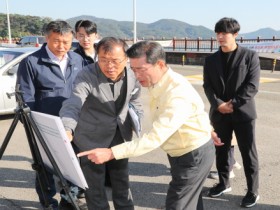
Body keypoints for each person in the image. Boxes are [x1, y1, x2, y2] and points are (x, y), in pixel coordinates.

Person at [77, 41, 218, 210]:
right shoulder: (160, 80)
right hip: (181, 151)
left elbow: (154, 138)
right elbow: (197, 108)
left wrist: (111, 153)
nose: (136, 75)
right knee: (192, 203)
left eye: (140, 70)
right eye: (133, 69)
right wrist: (207, 128)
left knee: (178, 204)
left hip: (193, 155)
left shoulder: (176, 93)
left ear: (159, 64)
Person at [59, 37, 143, 210]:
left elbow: (136, 100)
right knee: (94, 187)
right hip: (91, 137)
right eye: (103, 60)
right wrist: (67, 128)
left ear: (126, 58)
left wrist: (138, 120)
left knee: (121, 181)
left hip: (120, 135)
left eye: (115, 61)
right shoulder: (87, 74)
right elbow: (73, 103)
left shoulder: (133, 73)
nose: (109, 66)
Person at [16, 20, 85, 210]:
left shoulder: (76, 60)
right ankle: (48, 202)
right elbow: (25, 98)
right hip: (45, 126)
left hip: (74, 123)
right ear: (46, 38)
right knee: (45, 167)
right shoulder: (31, 62)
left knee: (72, 164)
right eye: (56, 41)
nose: (62, 46)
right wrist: (32, 125)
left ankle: (69, 200)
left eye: (67, 41)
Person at [203, 17, 260, 208]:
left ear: (235, 34)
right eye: (218, 33)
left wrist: (232, 104)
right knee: (221, 150)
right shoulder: (210, 60)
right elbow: (208, 86)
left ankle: (253, 191)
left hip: (243, 113)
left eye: (224, 33)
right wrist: (218, 104)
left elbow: (252, 86)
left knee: (248, 152)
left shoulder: (250, 56)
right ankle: (223, 183)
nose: (220, 37)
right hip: (220, 113)